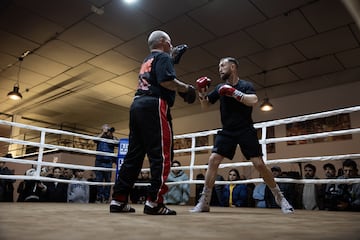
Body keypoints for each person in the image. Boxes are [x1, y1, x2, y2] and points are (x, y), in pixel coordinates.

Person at [191, 57, 294, 214]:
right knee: (213, 160)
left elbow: (253, 100)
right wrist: (202, 94)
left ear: (233, 67)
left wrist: (234, 93)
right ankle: (204, 201)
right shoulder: (220, 87)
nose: (219, 68)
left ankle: (280, 198)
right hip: (227, 131)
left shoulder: (245, 85)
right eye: (219, 66)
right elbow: (205, 106)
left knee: (259, 164)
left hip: (245, 129)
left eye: (222, 65)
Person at [109, 30, 196, 215]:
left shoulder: (147, 60)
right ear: (163, 42)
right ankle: (154, 202)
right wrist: (186, 88)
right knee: (162, 155)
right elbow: (166, 81)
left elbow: (158, 78)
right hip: (154, 105)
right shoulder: (162, 57)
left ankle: (118, 200)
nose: (172, 46)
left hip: (137, 105)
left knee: (134, 156)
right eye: (170, 43)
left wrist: (171, 61)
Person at [94, 124, 117, 203]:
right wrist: (103, 133)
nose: (107, 129)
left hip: (108, 162)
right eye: (105, 128)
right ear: (102, 129)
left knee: (108, 181)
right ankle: (99, 197)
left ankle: (106, 198)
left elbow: (117, 143)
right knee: (99, 180)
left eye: (108, 128)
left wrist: (111, 134)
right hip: (99, 161)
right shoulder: (99, 137)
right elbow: (94, 139)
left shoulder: (112, 138)